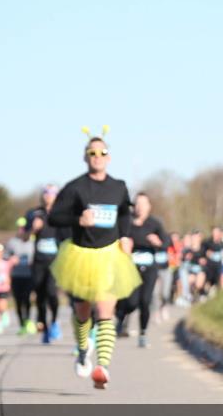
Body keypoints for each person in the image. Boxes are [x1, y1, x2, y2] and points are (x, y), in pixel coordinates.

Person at [47, 131, 141, 389]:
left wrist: (125, 237)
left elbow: (124, 214)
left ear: (109, 158)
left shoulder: (119, 187)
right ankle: (81, 348)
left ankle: (103, 366)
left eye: (102, 153)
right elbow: (53, 217)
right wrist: (77, 220)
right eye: (92, 153)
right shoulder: (75, 187)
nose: (97, 157)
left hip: (109, 256)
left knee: (105, 313)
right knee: (82, 313)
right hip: (80, 256)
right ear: (85, 157)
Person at [114, 192, 167, 348]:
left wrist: (157, 243)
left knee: (145, 301)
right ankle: (121, 316)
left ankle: (143, 333)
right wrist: (123, 244)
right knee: (131, 302)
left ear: (149, 207)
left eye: (143, 204)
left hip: (150, 268)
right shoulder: (126, 222)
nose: (140, 207)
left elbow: (166, 244)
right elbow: (114, 239)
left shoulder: (155, 224)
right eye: (137, 204)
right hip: (130, 267)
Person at [25, 185, 69, 343]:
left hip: (56, 260)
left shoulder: (62, 214)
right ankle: (44, 325)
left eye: (52, 193)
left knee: (52, 292)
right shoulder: (34, 213)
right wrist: (32, 229)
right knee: (40, 295)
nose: (48, 195)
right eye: (45, 192)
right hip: (38, 260)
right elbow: (23, 236)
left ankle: (55, 321)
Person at [7, 218, 37, 335]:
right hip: (16, 275)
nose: (21, 230)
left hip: (29, 275)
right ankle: (21, 324)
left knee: (27, 299)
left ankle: (28, 321)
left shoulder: (33, 242)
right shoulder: (12, 242)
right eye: (19, 227)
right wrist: (10, 260)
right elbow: (4, 257)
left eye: (23, 227)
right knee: (18, 301)